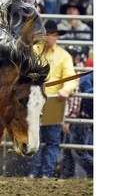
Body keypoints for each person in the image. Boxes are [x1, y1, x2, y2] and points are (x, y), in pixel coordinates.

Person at [26, 20, 77, 178]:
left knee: (51, 140)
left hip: (55, 101)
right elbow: (23, 71)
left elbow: (70, 77)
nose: (51, 38)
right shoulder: (32, 51)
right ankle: (33, 173)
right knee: (35, 139)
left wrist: (66, 89)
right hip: (34, 100)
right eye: (48, 35)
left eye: (53, 35)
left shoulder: (63, 56)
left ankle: (45, 174)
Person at [61, 69, 93, 179]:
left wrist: (68, 120)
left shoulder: (72, 78)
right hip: (78, 119)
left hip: (77, 120)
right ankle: (67, 175)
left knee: (78, 152)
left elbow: (75, 103)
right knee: (69, 150)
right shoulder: (74, 77)